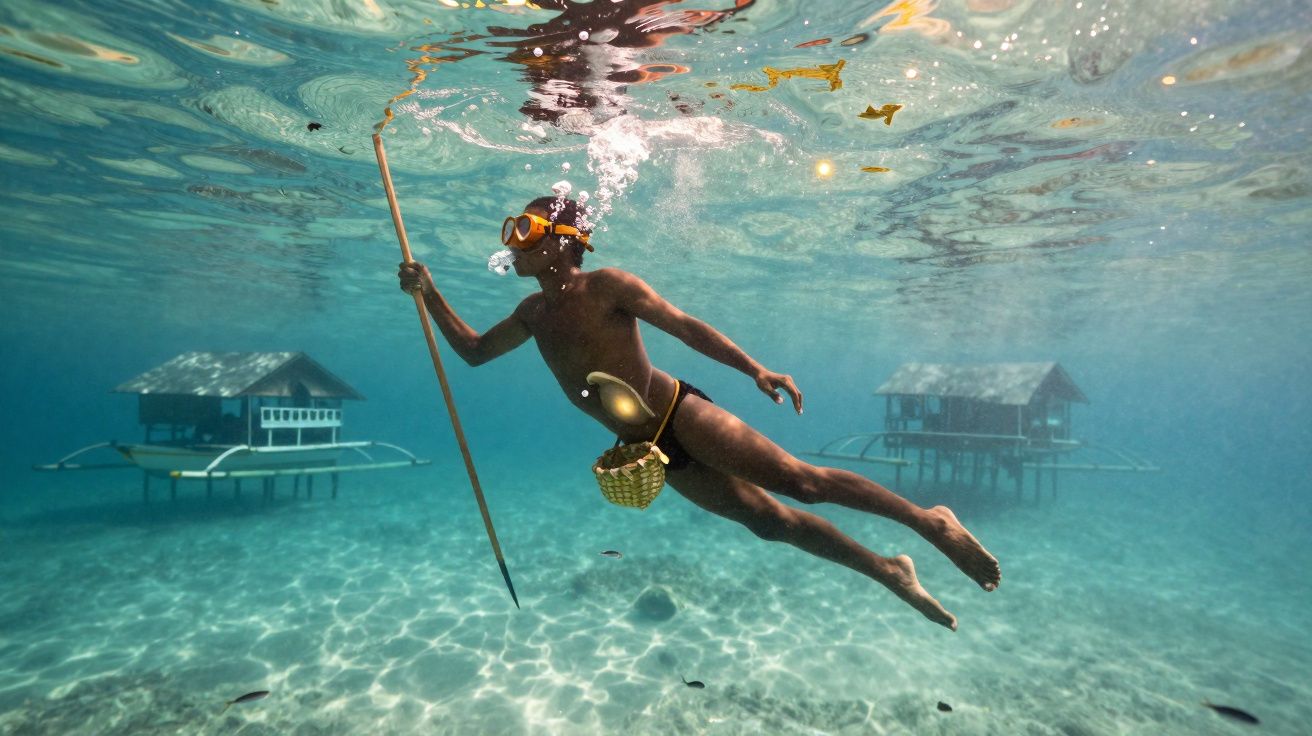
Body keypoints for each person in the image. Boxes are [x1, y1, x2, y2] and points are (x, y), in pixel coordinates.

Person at [398, 195, 1000, 630]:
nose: (513, 243)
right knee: (770, 523)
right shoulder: (532, 313)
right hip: (649, 454)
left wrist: (755, 369)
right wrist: (428, 293)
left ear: (562, 241)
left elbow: (685, 327)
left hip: (678, 415)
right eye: (514, 230)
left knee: (802, 483)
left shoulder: (608, 286)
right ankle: (890, 571)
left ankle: (929, 522)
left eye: (526, 229)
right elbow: (473, 352)